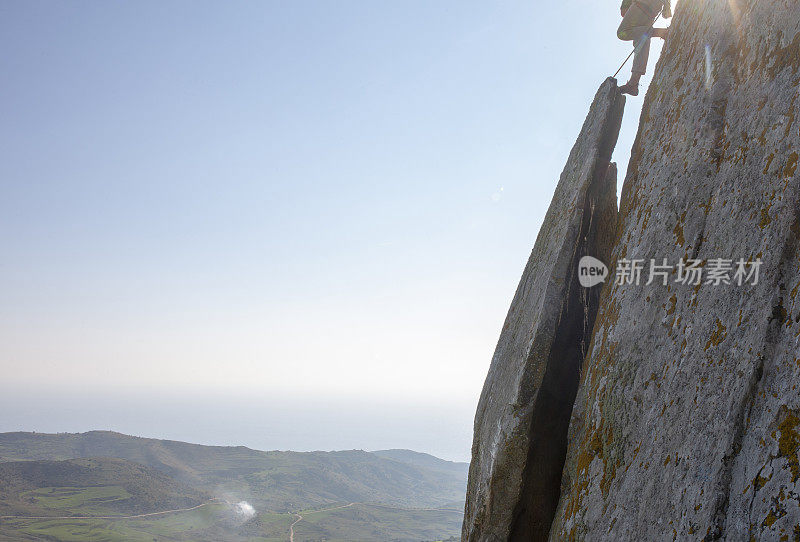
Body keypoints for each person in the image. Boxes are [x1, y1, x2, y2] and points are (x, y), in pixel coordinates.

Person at [617, 0, 672, 95]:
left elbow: (624, 12)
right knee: (641, 39)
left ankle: (661, 32)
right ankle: (633, 83)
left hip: (642, 4)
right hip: (653, 9)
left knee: (623, 32)